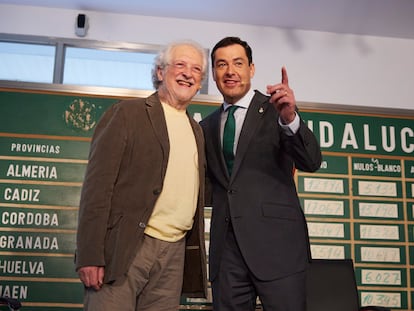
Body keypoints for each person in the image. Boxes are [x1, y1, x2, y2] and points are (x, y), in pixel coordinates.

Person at [75, 40, 208, 311]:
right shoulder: (126, 114)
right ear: (160, 71)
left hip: (174, 253)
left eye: (196, 69)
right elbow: (97, 188)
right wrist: (89, 254)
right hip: (125, 248)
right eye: (180, 64)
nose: (188, 73)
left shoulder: (197, 131)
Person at [200, 36, 322, 310]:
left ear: (251, 69)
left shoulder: (277, 111)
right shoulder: (205, 127)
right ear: (215, 73)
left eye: (238, 63)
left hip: (279, 248)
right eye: (221, 64)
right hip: (227, 253)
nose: (230, 71)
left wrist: (290, 119)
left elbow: (311, 161)